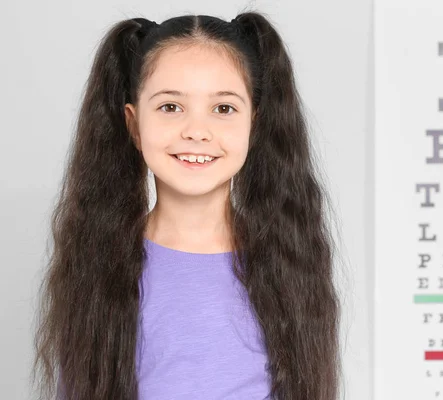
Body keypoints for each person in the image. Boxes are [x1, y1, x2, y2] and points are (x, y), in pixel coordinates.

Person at [32, 10, 344, 400]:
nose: (197, 131)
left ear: (255, 124)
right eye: (170, 107)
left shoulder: (289, 264)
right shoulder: (99, 266)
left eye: (224, 108)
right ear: (133, 124)